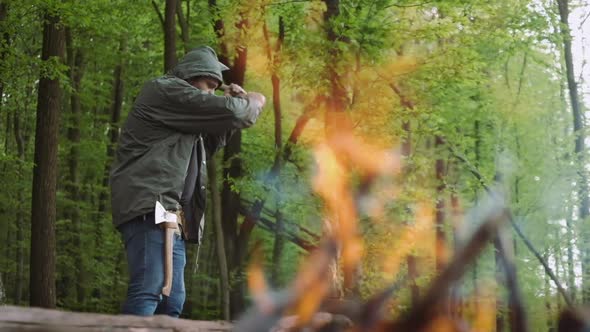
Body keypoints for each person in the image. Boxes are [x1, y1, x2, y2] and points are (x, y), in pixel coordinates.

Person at [109, 46, 265, 317]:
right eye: (208, 86)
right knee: (151, 288)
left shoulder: (184, 119)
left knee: (172, 301)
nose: (210, 94)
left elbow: (210, 142)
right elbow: (237, 113)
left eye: (216, 89)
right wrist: (253, 100)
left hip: (172, 214)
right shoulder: (164, 90)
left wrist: (226, 109)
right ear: (192, 76)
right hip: (150, 205)